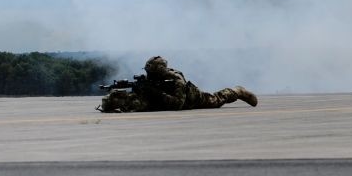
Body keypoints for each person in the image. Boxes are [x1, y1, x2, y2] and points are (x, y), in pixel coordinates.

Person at [99, 56, 258, 113]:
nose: (148, 75)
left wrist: (154, 92)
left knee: (216, 100)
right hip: (169, 98)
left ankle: (238, 91)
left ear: (159, 71)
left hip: (191, 98)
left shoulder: (176, 80)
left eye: (150, 72)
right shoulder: (153, 79)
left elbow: (178, 104)